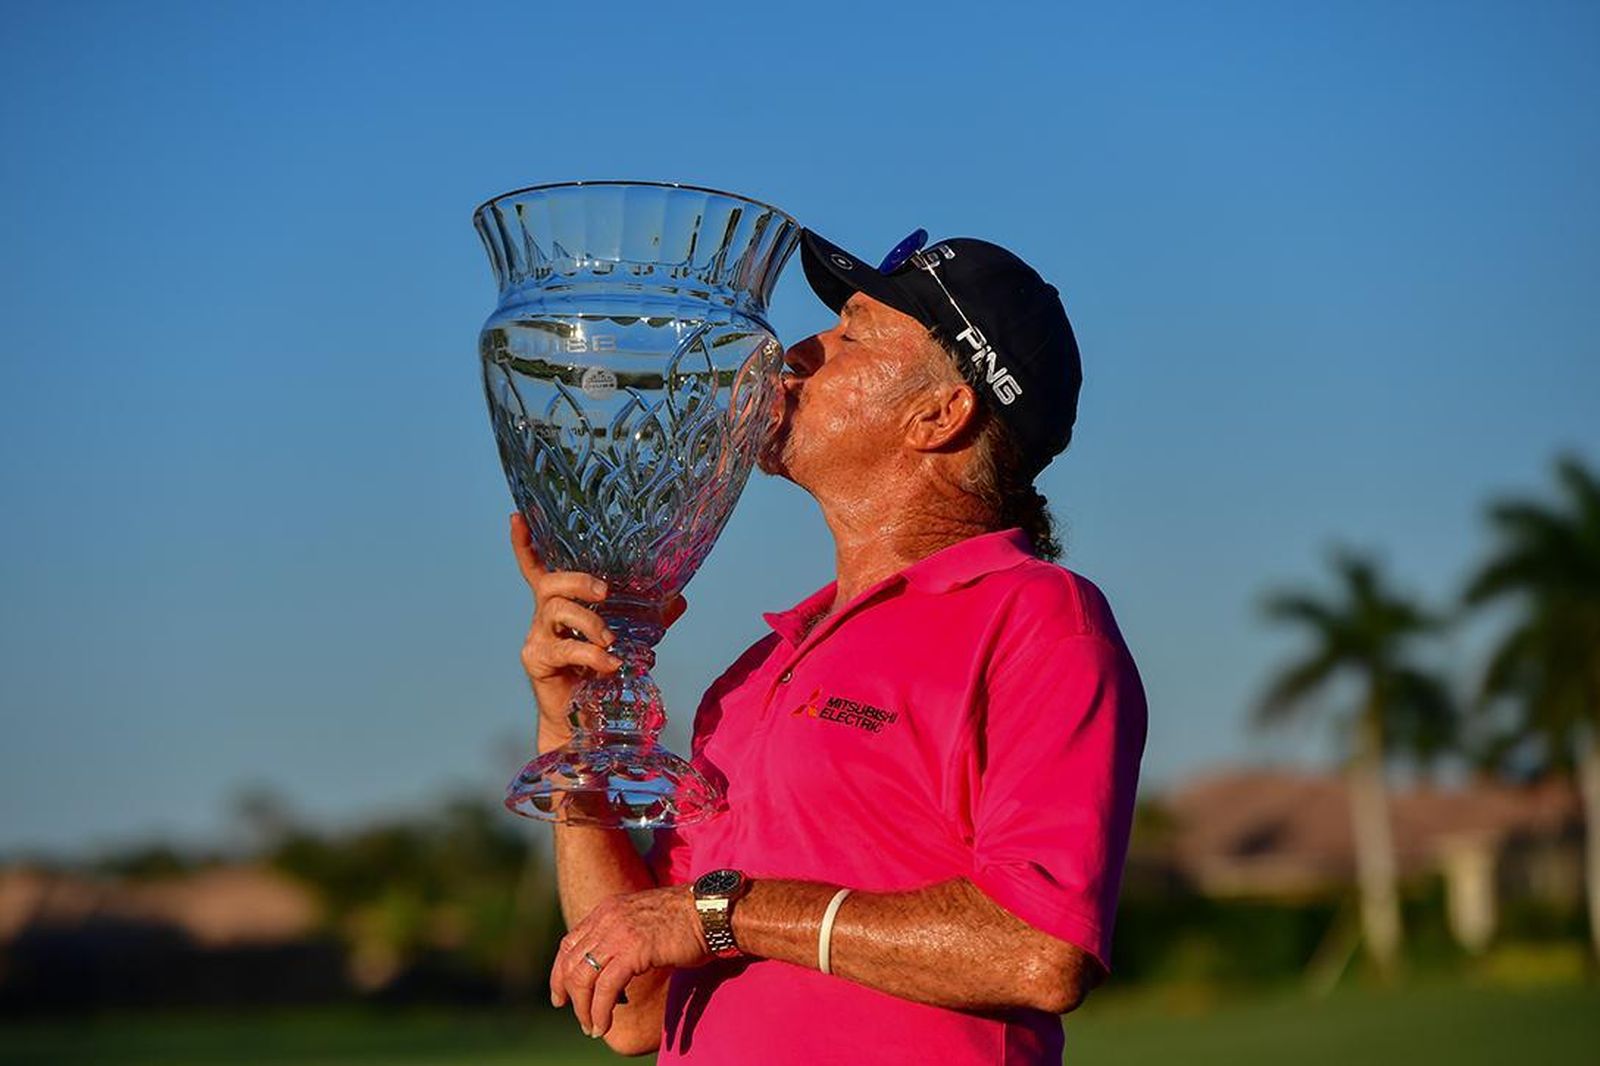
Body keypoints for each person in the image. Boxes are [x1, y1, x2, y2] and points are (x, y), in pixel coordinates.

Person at [511, 227, 1148, 1063]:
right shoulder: (753, 675)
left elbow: (1038, 950)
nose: (797, 354)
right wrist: (576, 739)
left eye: (850, 332)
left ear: (938, 414)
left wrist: (720, 913)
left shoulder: (1038, 619)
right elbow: (634, 1011)